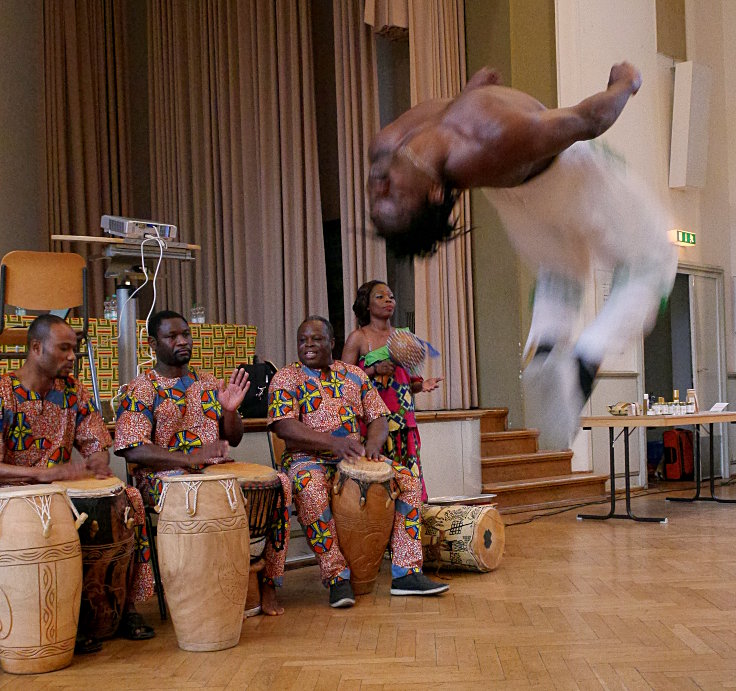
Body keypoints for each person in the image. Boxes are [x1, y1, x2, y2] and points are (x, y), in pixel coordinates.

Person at [368, 62, 677, 450]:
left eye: (378, 196)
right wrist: (625, 82)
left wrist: (472, 91)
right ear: (434, 192)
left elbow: (450, 120)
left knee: (559, 272)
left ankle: (546, 344)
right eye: (394, 196)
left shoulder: (387, 147)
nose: (380, 186)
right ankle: (585, 359)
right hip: (573, 179)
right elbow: (591, 118)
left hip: (515, 201)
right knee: (654, 263)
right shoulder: (493, 138)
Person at [114, 310, 290, 616]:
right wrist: (188, 458)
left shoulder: (209, 383)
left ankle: (265, 582)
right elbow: (133, 449)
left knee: (281, 484)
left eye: (186, 334)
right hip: (163, 481)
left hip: (216, 472)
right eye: (172, 336)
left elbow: (232, 439)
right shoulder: (141, 388)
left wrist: (232, 411)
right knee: (207, 491)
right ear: (153, 344)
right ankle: (203, 591)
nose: (182, 341)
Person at [268, 315, 448, 608]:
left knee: (408, 481)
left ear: (333, 343)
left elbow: (378, 417)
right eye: (303, 340)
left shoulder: (354, 375)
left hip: (354, 457)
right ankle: (337, 577)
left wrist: (374, 447)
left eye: (316, 339)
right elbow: (284, 426)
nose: (309, 345)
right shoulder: (287, 377)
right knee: (311, 490)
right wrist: (333, 443)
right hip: (307, 459)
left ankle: (406, 572)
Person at [0, 314, 155, 652]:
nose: (72, 356)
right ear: (36, 348)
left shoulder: (72, 392)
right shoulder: (3, 393)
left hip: (62, 491)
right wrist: (41, 475)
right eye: (64, 348)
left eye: (75, 349)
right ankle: (64, 620)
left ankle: (125, 608)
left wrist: (98, 456)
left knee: (130, 497)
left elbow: (95, 441)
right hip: (13, 497)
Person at [342, 280, 442, 502]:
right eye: (380, 296)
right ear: (367, 305)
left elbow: (410, 381)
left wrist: (421, 385)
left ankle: (409, 530)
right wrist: (373, 369)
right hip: (372, 423)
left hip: (404, 422)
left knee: (408, 483)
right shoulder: (358, 337)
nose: (388, 300)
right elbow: (343, 382)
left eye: (391, 296)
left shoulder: (405, 336)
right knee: (379, 488)